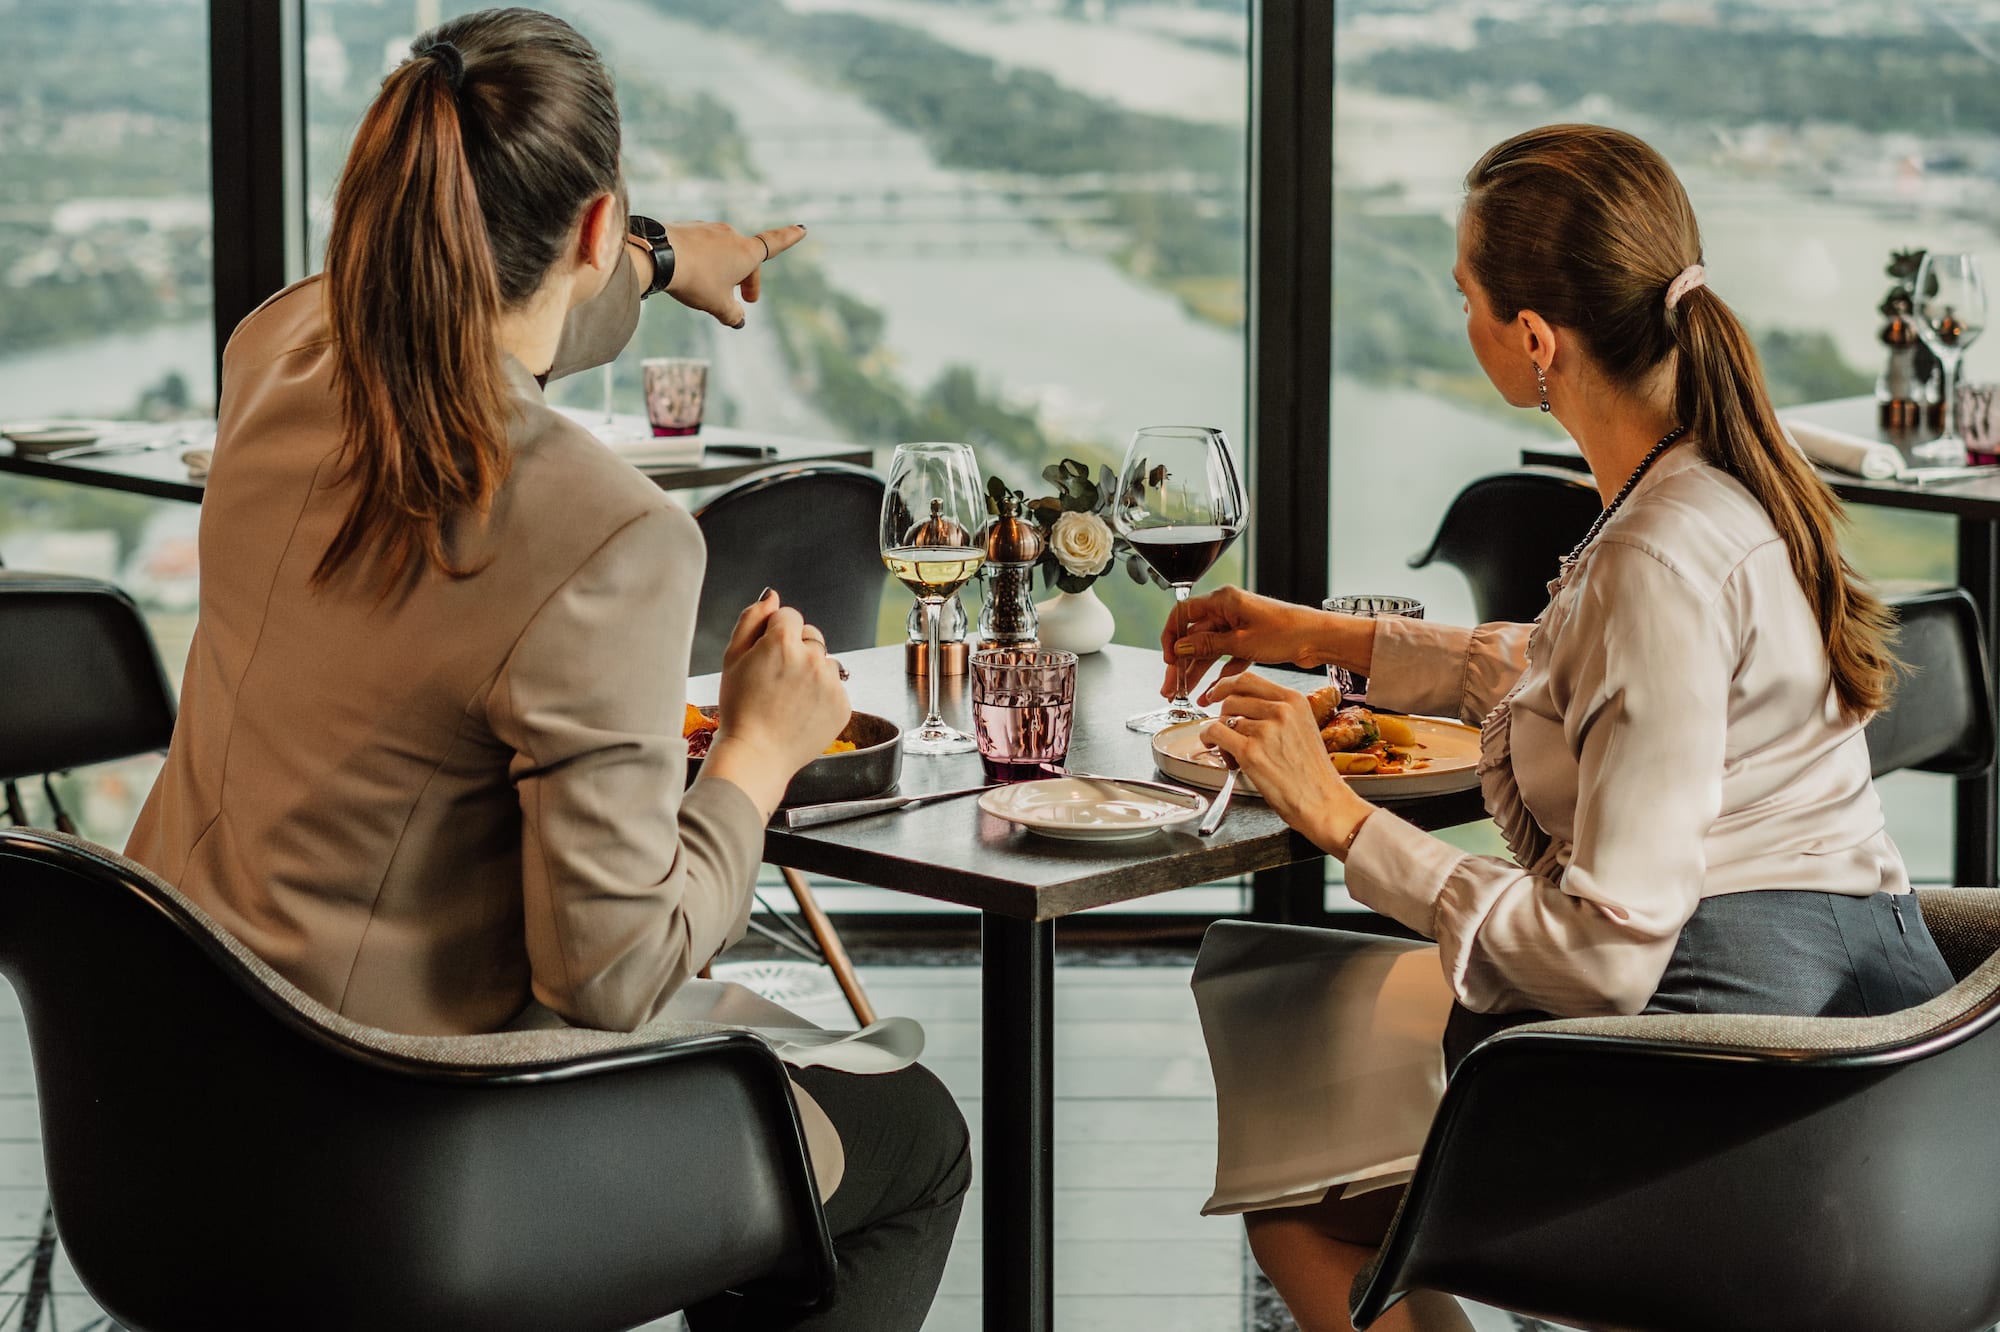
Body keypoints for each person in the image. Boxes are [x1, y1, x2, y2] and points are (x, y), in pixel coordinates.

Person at [123, 11, 966, 1330]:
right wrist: (756, 748)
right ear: (590, 229)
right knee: (910, 1138)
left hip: (161, 1124)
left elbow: (506, 301)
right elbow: (610, 976)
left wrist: (663, 253)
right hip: (402, 1163)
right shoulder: (607, 531)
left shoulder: (276, 350)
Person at [1166, 123, 1955, 1332]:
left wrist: (1336, 818)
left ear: (1532, 340)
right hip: (1868, 1043)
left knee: (1294, 1151)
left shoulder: (1655, 555)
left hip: (1747, 1094)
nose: (1462, 320)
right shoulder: (1717, 478)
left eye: (1466, 298)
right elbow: (1563, 672)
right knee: (1284, 1013)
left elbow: (1602, 955)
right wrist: (1317, 636)